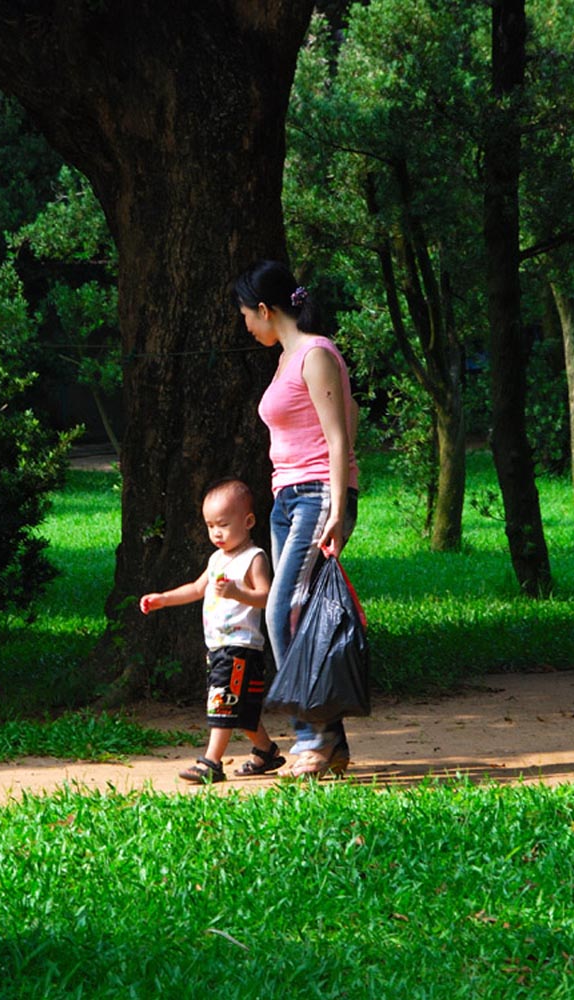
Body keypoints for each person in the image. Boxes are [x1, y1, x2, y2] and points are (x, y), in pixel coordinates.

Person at [234, 259, 360, 779]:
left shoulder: (315, 354)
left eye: (246, 314)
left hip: (315, 496)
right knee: (297, 617)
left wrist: (335, 507)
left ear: (265, 310)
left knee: (280, 611)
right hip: (286, 497)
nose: (244, 325)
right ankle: (331, 743)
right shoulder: (286, 359)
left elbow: (338, 438)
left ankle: (313, 738)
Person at [139, 478, 285, 783]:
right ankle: (265, 751)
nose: (216, 532)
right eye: (210, 526)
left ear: (248, 522)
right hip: (218, 646)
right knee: (240, 704)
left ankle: (211, 762)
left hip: (241, 646)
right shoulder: (217, 558)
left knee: (224, 701)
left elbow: (266, 596)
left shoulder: (253, 558)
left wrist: (237, 593)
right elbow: (195, 588)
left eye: (223, 524)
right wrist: (163, 599)